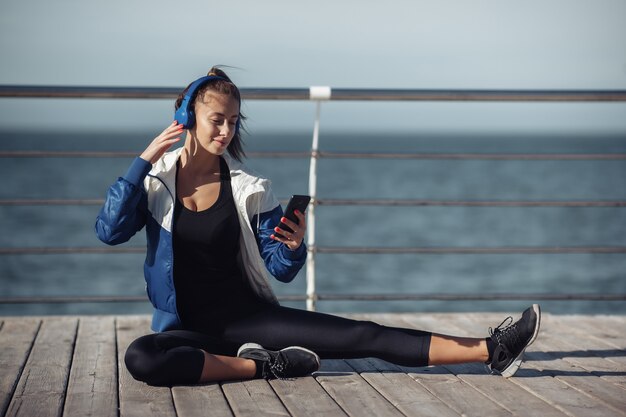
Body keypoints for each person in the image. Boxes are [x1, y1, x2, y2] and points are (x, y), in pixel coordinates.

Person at [95, 66, 541, 386]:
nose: (227, 131)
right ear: (187, 117)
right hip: (186, 330)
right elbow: (110, 230)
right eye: (218, 120)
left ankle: (491, 349)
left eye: (234, 121)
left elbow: (281, 270)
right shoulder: (154, 183)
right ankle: (265, 367)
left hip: (250, 320)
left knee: (362, 334)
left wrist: (292, 245)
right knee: (143, 357)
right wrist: (143, 161)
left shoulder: (249, 189)